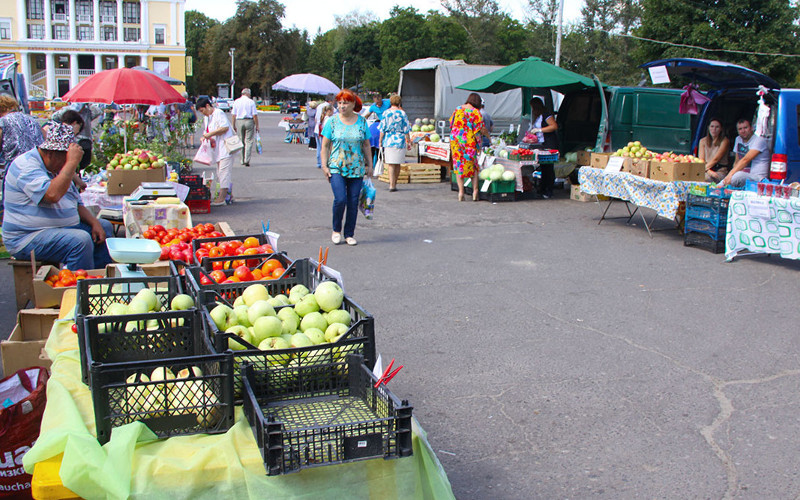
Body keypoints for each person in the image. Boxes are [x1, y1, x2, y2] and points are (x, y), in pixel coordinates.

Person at [2, 122, 113, 270]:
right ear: (50, 153)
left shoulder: (57, 170)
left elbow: (77, 204)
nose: (66, 165)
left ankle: (99, 281)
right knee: (80, 241)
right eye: (64, 159)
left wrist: (94, 222)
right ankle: (78, 288)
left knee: (104, 227)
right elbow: (51, 195)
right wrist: (71, 163)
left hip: (57, 228)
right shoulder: (26, 165)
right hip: (27, 237)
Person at [320, 89, 373, 246]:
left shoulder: (362, 122)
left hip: (356, 168)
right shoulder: (332, 122)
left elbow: (366, 144)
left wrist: (370, 165)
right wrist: (324, 166)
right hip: (337, 166)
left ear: (353, 104)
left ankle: (349, 233)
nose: (342, 106)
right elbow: (325, 146)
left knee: (353, 201)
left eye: (345, 103)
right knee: (340, 199)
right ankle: (336, 230)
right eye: (340, 103)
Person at [449, 92, 488, 202]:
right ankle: (475, 191)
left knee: (458, 165)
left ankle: (461, 192)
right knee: (473, 166)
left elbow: (451, 124)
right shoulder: (476, 112)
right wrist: (479, 144)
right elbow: (478, 131)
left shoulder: (458, 109)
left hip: (456, 140)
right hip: (469, 141)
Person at [196, 96, 235, 205]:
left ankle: (222, 198)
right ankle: (229, 195)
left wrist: (209, 135)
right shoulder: (207, 118)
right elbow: (208, 131)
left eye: (202, 110)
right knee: (220, 172)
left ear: (207, 106)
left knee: (223, 172)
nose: (202, 113)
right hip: (217, 149)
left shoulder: (218, 113)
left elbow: (224, 128)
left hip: (225, 147)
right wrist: (205, 137)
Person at [720, 118, 770, 188]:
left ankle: (720, 186)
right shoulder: (738, 139)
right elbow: (737, 162)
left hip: (758, 178)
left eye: (745, 128)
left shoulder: (759, 140)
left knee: (737, 176)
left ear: (751, 128)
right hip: (743, 176)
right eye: (740, 129)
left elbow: (745, 160)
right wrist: (729, 177)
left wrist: (730, 175)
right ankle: (718, 187)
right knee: (732, 177)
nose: (743, 131)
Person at [0, 95, 44, 169]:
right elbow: (44, 137)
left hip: (16, 166)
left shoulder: (3, 121)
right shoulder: (31, 119)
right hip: (38, 164)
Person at [527, 97, 559, 198]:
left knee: (548, 167)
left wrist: (539, 130)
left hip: (549, 144)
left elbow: (554, 126)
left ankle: (549, 190)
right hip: (542, 144)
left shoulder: (546, 115)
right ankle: (543, 188)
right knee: (544, 167)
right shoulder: (538, 117)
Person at [52, 102, 100, 169]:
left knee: (84, 164)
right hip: (72, 143)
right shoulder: (67, 111)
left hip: (85, 141)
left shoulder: (87, 112)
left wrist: (89, 104)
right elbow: (54, 117)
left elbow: (98, 111)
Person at [379, 94, 411, 192]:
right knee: (398, 163)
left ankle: (391, 184)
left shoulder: (386, 113)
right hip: (400, 140)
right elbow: (406, 129)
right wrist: (408, 141)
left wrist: (380, 141)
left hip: (389, 139)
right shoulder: (402, 113)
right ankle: (395, 183)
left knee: (390, 164)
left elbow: (382, 128)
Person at [231, 88, 259, 167]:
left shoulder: (236, 101)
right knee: (249, 141)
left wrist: (233, 125)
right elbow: (254, 115)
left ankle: (242, 159)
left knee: (241, 140)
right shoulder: (251, 102)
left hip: (239, 121)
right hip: (249, 121)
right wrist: (257, 126)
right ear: (248, 94)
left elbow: (233, 114)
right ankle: (247, 159)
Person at [698, 118, 731, 183]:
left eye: (717, 127)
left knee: (704, 179)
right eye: (712, 126)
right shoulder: (702, 141)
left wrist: (704, 169)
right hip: (706, 169)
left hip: (719, 170)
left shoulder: (724, 141)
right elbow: (701, 160)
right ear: (708, 128)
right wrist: (708, 171)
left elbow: (716, 159)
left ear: (721, 129)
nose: (714, 129)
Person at [315, 102, 333, 169]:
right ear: (329, 111)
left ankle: (320, 163)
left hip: (319, 133)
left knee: (320, 148)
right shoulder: (328, 119)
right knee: (325, 149)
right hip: (325, 135)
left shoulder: (323, 117)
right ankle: (324, 163)